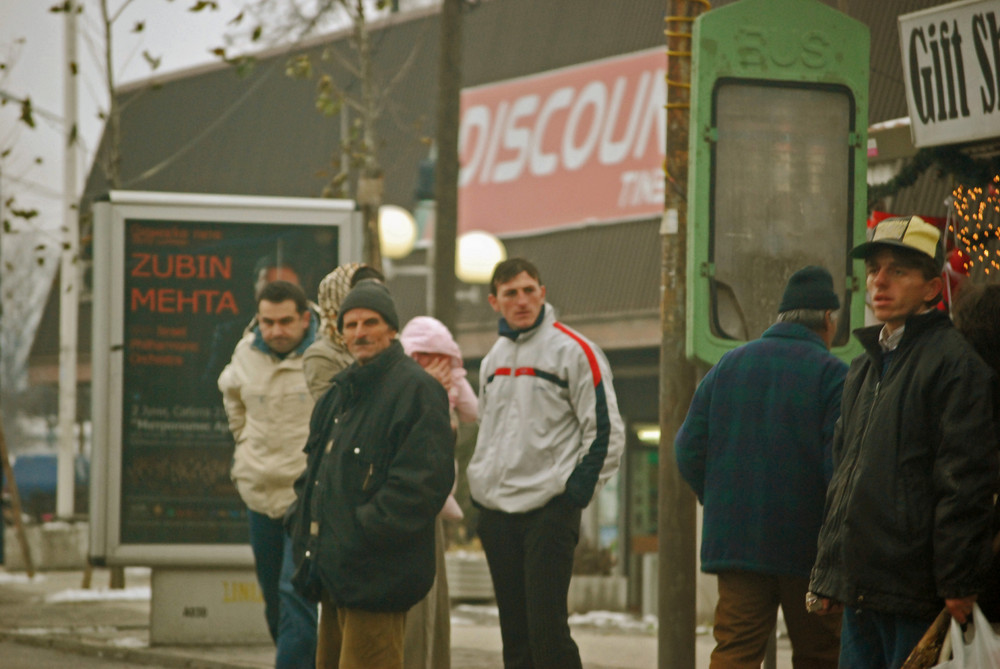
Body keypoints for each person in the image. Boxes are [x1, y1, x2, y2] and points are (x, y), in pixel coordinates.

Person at [808, 215, 999, 669]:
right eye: (874, 269)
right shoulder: (863, 368)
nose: (880, 281)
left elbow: (964, 480)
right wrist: (831, 574)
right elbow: (845, 477)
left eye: (899, 270)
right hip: (862, 591)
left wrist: (958, 582)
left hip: (916, 592)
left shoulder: (956, 366)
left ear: (933, 288)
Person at [674, 265, 847, 669]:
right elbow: (838, 467)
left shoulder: (727, 366)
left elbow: (686, 448)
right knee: (821, 654)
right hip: (808, 550)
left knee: (735, 652)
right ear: (827, 320)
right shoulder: (833, 375)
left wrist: (718, 497)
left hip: (737, 544)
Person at [467, 257, 625, 669]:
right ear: (494, 302)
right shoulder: (491, 360)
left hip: (548, 510)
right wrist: (479, 496)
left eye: (528, 290)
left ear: (542, 293)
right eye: (510, 293)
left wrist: (572, 496)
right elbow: (489, 432)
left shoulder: (574, 351)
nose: (521, 300)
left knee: (547, 632)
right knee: (515, 637)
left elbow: (607, 431)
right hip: (497, 512)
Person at [288, 281, 454, 669]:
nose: (360, 332)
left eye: (370, 322)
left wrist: (363, 531)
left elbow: (423, 484)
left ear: (392, 330)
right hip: (332, 574)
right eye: (351, 324)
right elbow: (314, 472)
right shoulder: (337, 395)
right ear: (340, 332)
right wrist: (300, 522)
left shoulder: (417, 390)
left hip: (377, 579)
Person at [217, 280, 319, 669]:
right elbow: (230, 394)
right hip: (259, 493)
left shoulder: (322, 356)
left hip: (305, 495)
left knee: (295, 594)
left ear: (305, 318)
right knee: (275, 604)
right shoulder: (245, 352)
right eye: (267, 322)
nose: (275, 331)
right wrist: (245, 440)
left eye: (285, 321)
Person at [398, 315, 478, 669]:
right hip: (400, 507)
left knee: (429, 616)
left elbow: (469, 418)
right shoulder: (399, 383)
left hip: (426, 501)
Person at [302, 263, 384, 399]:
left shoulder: (390, 342)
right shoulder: (321, 356)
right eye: (366, 295)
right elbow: (338, 411)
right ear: (341, 299)